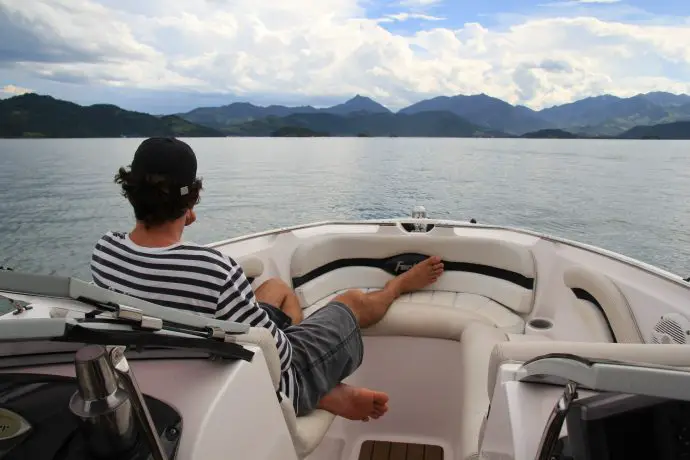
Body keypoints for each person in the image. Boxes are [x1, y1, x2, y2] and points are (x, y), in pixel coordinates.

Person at [90, 137, 444, 422]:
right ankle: (322, 382)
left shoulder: (105, 251)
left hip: (174, 363)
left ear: (131, 193)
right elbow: (282, 352)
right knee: (349, 300)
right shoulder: (212, 269)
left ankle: (315, 385)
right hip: (256, 376)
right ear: (192, 198)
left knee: (276, 290)